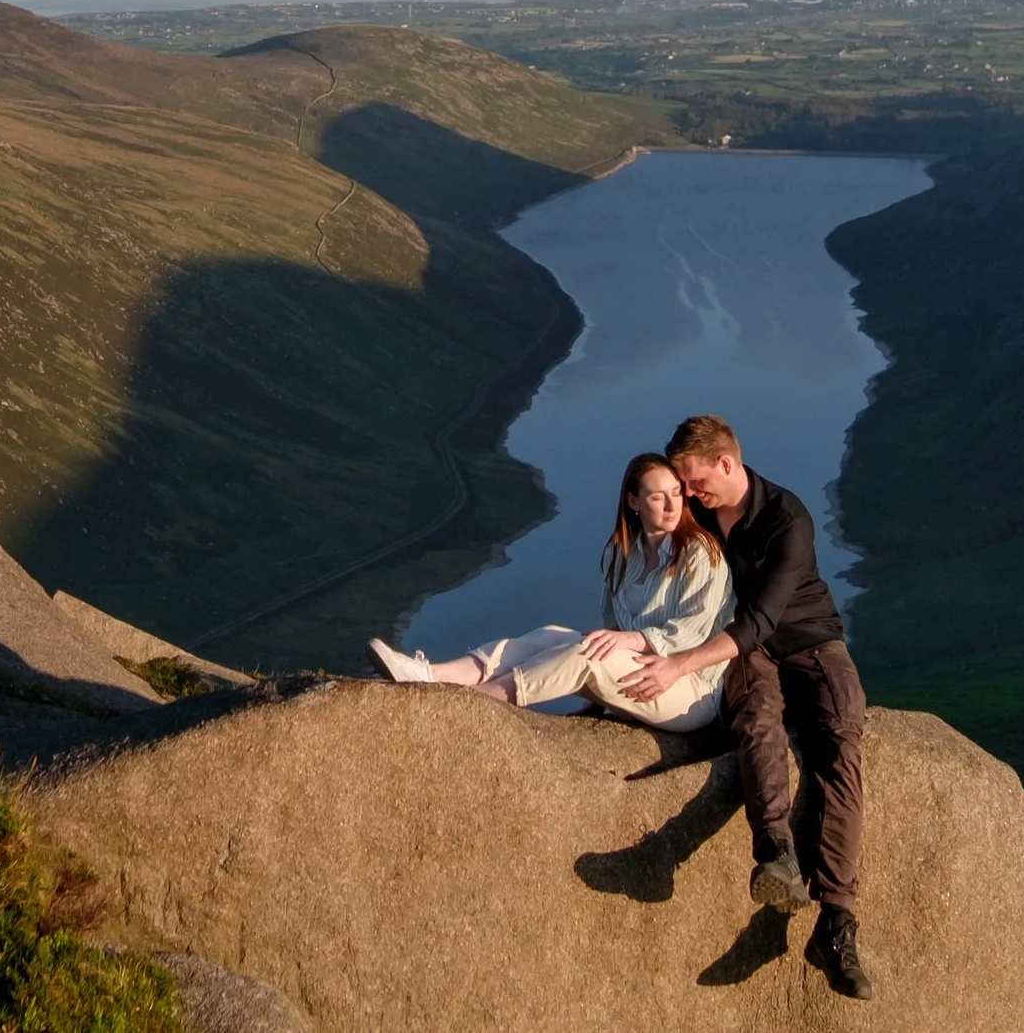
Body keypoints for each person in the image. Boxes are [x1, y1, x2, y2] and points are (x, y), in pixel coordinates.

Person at [616, 414, 874, 1001]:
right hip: (744, 649)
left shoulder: (787, 518)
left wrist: (680, 665)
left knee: (840, 741)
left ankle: (835, 921)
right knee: (756, 720)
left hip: (809, 641)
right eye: (680, 486)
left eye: (691, 480)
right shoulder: (696, 514)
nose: (685, 494)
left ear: (725, 464)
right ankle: (775, 855)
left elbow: (763, 617)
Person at [366, 453, 735, 732]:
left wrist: (631, 642)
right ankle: (430, 675)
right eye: (658, 497)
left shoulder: (699, 553)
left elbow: (696, 631)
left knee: (587, 656)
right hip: (642, 672)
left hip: (687, 688)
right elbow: (614, 628)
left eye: (675, 494)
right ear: (634, 502)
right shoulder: (622, 554)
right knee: (551, 635)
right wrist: (612, 674)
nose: (672, 505)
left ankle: (472, 703)